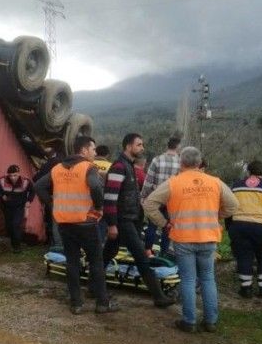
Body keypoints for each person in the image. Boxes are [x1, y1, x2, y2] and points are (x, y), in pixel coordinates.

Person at [144, 146, 238, 333]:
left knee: (187, 279)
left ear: (181, 162)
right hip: (208, 238)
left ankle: (189, 321)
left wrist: (164, 224)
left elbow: (149, 204)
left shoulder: (173, 183)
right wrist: (216, 217)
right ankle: (210, 321)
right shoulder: (215, 182)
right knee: (208, 278)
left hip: (183, 238)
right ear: (199, 162)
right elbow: (234, 205)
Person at [34, 136, 118, 315]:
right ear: (84, 150)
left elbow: (38, 186)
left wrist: (52, 204)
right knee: (96, 261)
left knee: (72, 262)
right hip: (86, 223)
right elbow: (95, 187)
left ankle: (76, 303)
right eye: (93, 149)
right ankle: (102, 303)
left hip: (65, 223)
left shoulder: (57, 169)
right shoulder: (88, 167)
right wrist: (99, 206)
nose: (95, 153)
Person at [102, 133, 175, 308]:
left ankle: (93, 286)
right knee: (142, 257)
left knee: (107, 254)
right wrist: (112, 224)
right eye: (139, 145)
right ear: (128, 146)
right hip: (122, 221)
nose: (142, 148)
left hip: (129, 220)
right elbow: (110, 198)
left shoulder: (129, 166)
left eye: (142, 145)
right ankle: (158, 296)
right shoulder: (119, 167)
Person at [226, 160, 262, 298]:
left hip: (239, 227)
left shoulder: (236, 185)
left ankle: (246, 288)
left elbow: (230, 207)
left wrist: (230, 226)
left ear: (248, 171)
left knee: (244, 257)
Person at [141, 137, 181, 257]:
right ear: (178, 147)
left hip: (156, 198)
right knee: (167, 227)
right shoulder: (180, 162)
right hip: (172, 199)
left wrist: (144, 196)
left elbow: (148, 180)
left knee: (152, 225)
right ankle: (164, 253)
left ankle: (148, 250)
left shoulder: (157, 160)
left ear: (167, 146)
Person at [0, 164, 35, 253]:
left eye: (15, 175)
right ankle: (13, 243)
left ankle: (17, 247)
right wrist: (2, 196)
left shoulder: (25, 182)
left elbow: (32, 191)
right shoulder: (2, 181)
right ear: (8, 174)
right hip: (6, 207)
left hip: (19, 207)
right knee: (9, 226)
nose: (12, 177)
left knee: (15, 224)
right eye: (10, 175)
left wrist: (28, 201)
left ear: (19, 174)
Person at [33, 147, 63, 249]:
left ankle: (55, 245)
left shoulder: (50, 164)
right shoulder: (61, 162)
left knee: (54, 221)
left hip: (53, 196)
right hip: (64, 198)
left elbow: (37, 181)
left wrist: (48, 201)